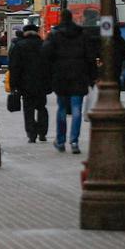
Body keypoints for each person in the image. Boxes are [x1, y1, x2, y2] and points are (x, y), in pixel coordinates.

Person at [41, 10, 96, 154]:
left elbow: (45, 54)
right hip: (79, 75)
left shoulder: (55, 34)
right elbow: (90, 57)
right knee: (76, 108)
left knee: (62, 109)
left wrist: (50, 72)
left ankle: (60, 141)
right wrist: (92, 77)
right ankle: (74, 141)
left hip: (61, 76)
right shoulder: (82, 34)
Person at [7, 20, 49, 143]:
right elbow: (49, 65)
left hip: (25, 83)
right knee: (42, 107)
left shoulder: (19, 46)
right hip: (42, 82)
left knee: (28, 108)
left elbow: (14, 67)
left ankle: (31, 133)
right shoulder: (44, 44)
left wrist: (13, 84)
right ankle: (42, 132)